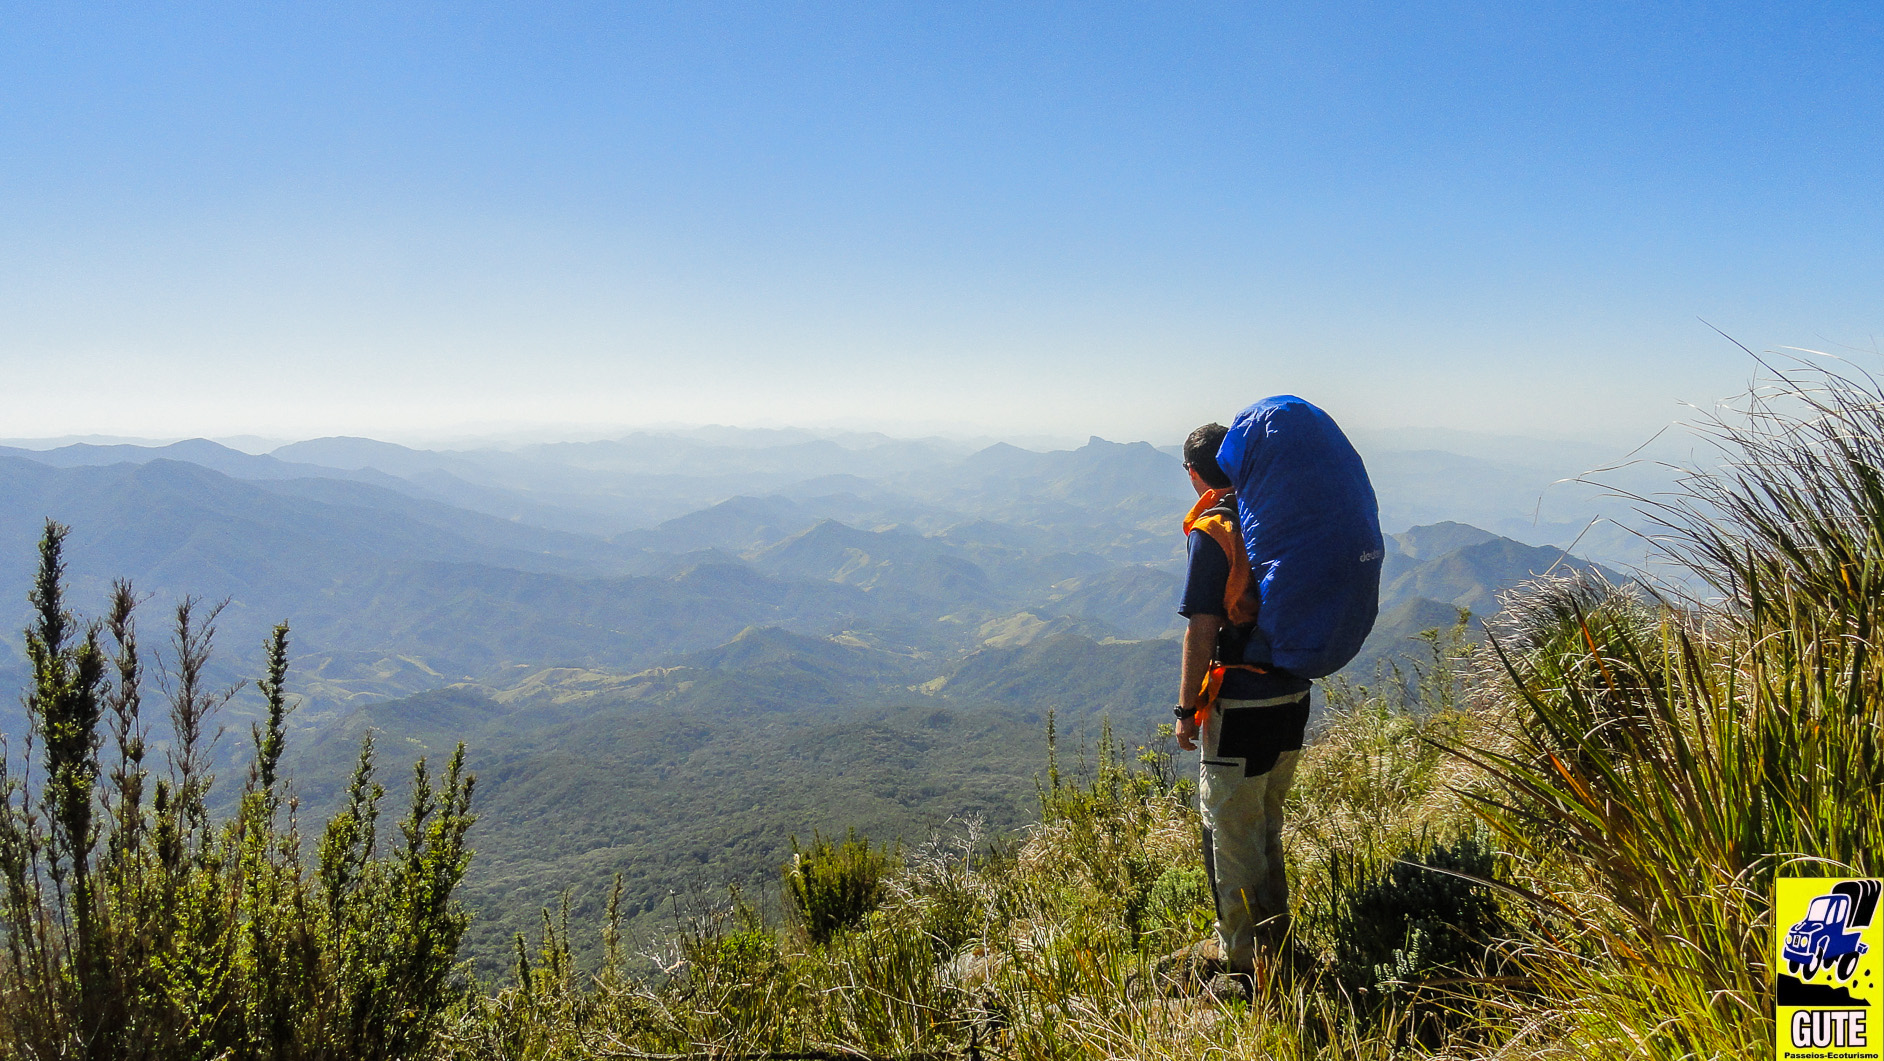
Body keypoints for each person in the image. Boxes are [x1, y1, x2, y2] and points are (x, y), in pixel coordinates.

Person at [1173, 422, 1314, 977]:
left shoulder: (1217, 530)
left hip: (1242, 706)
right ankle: (1277, 945)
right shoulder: (1275, 517)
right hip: (1294, 695)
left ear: (1194, 474)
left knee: (1231, 834)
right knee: (1266, 824)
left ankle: (1244, 962)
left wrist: (1186, 711)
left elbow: (1201, 629)